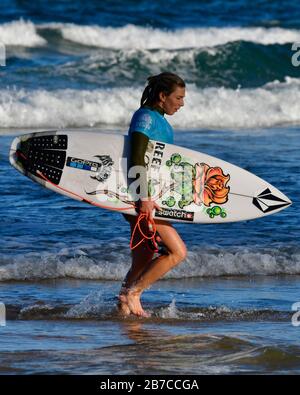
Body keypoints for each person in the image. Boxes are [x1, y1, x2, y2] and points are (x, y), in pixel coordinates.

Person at [118, 72, 187, 318]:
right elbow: (136, 158)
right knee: (177, 252)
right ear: (162, 96)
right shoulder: (145, 118)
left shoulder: (160, 122)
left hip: (148, 196)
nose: (181, 103)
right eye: (178, 98)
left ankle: (124, 306)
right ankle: (134, 293)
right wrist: (143, 197)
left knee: (144, 255)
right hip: (141, 196)